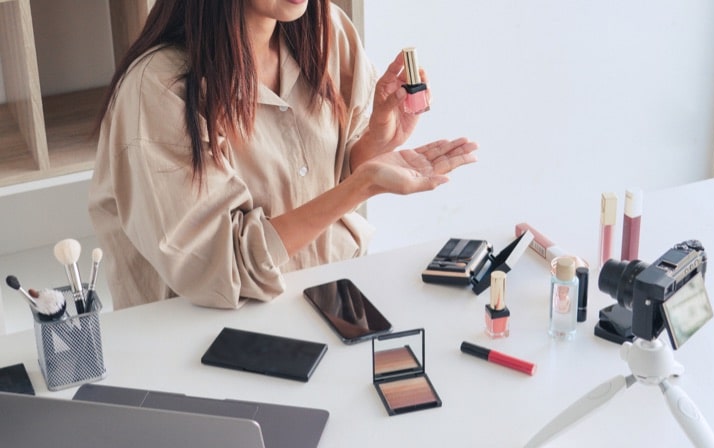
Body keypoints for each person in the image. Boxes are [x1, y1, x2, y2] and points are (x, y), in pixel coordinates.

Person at [88, 0, 478, 310]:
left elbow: (331, 171)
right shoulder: (158, 89)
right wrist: (364, 186)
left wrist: (376, 137)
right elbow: (220, 269)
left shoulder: (329, 31)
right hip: (216, 337)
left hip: (334, 294)